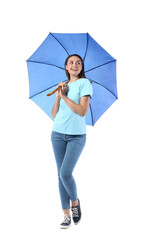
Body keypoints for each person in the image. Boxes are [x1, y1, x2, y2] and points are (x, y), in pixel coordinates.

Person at [51, 54, 93, 229]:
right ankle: (66, 215)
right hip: (57, 134)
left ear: (81, 67)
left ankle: (75, 203)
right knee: (60, 175)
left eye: (78, 63)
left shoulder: (85, 84)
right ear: (66, 67)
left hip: (76, 136)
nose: (75, 65)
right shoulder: (63, 85)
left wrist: (66, 97)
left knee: (66, 173)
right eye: (71, 63)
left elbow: (82, 111)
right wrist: (58, 96)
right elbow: (54, 115)